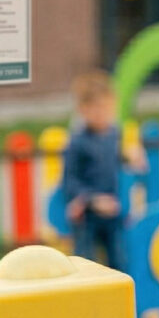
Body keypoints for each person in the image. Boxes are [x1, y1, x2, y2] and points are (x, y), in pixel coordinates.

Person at [62, 70, 142, 272]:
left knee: (120, 261)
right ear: (82, 110)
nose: (102, 114)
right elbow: (70, 181)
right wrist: (93, 200)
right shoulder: (78, 142)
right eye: (96, 109)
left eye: (106, 108)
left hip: (113, 211)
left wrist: (130, 157)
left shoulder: (115, 134)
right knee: (85, 263)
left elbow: (117, 161)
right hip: (88, 214)